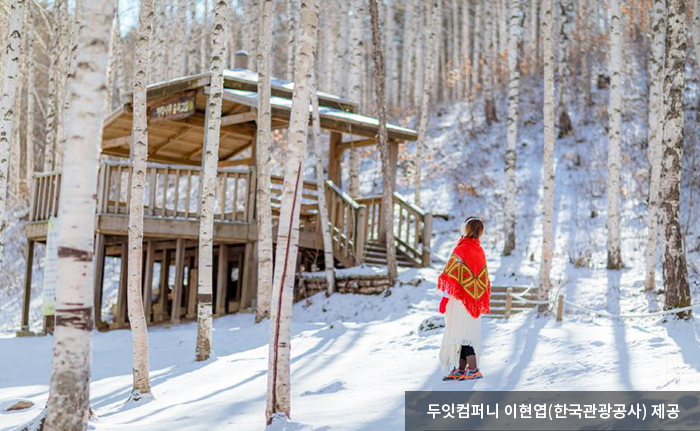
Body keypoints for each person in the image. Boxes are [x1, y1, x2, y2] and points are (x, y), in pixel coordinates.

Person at [437, 216, 491, 381]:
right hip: (472, 301)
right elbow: (483, 280)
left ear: (465, 229)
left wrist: (445, 299)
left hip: (460, 300)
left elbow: (451, 277)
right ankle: (461, 369)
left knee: (461, 333)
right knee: (464, 333)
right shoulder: (479, 250)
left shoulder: (461, 250)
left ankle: (473, 368)